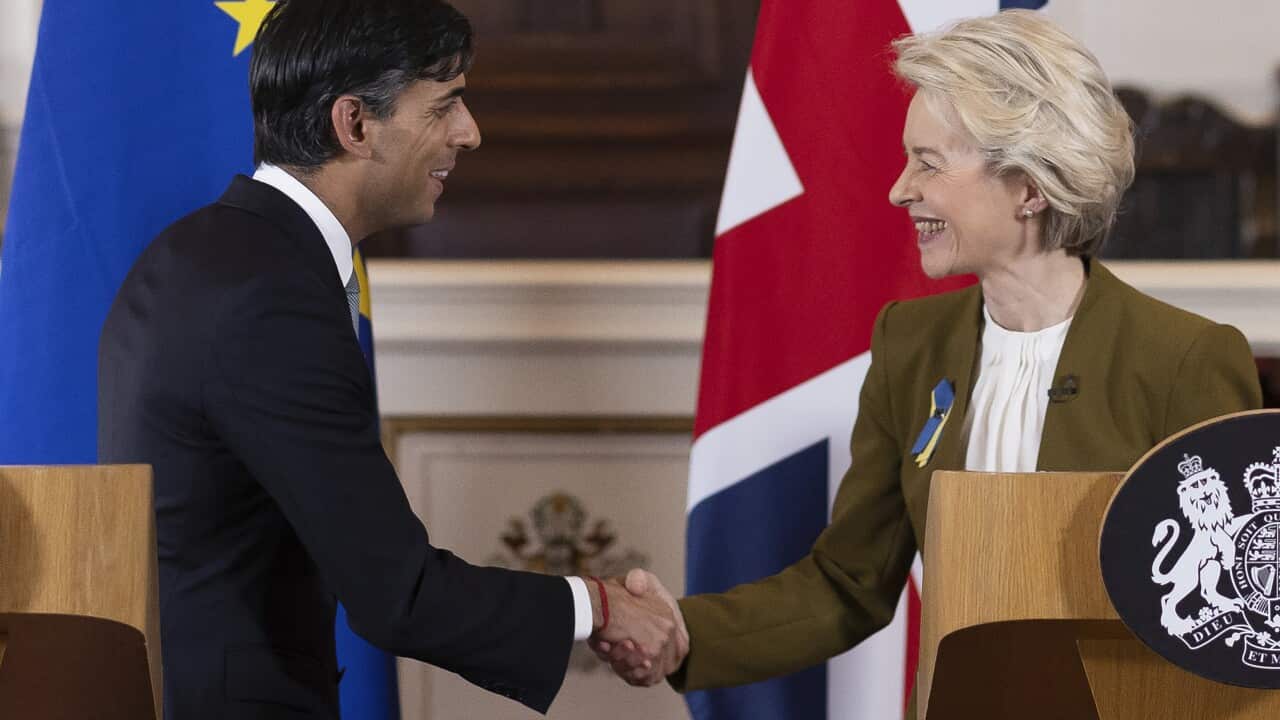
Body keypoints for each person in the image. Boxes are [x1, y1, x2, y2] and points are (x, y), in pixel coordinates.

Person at [594, 8, 1264, 700]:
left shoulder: (1185, 359)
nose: (899, 188)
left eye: (929, 163)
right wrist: (682, 629)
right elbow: (849, 583)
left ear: (1030, 186)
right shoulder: (910, 344)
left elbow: (1241, 615)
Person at [97, 1, 681, 718]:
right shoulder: (269, 296)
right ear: (355, 124)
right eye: (446, 106)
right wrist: (598, 606)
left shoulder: (200, 255)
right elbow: (398, 596)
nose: (469, 133)